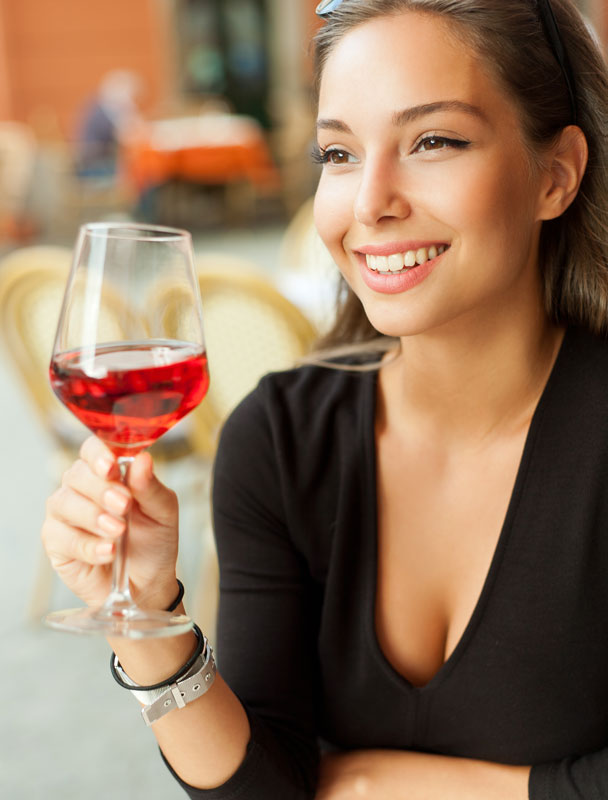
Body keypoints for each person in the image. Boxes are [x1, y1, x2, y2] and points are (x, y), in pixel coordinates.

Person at [41, 0, 608, 797]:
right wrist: (150, 618)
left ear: (557, 174)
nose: (369, 201)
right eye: (338, 153)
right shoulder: (278, 440)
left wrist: (378, 784)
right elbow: (265, 784)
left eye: (433, 141)